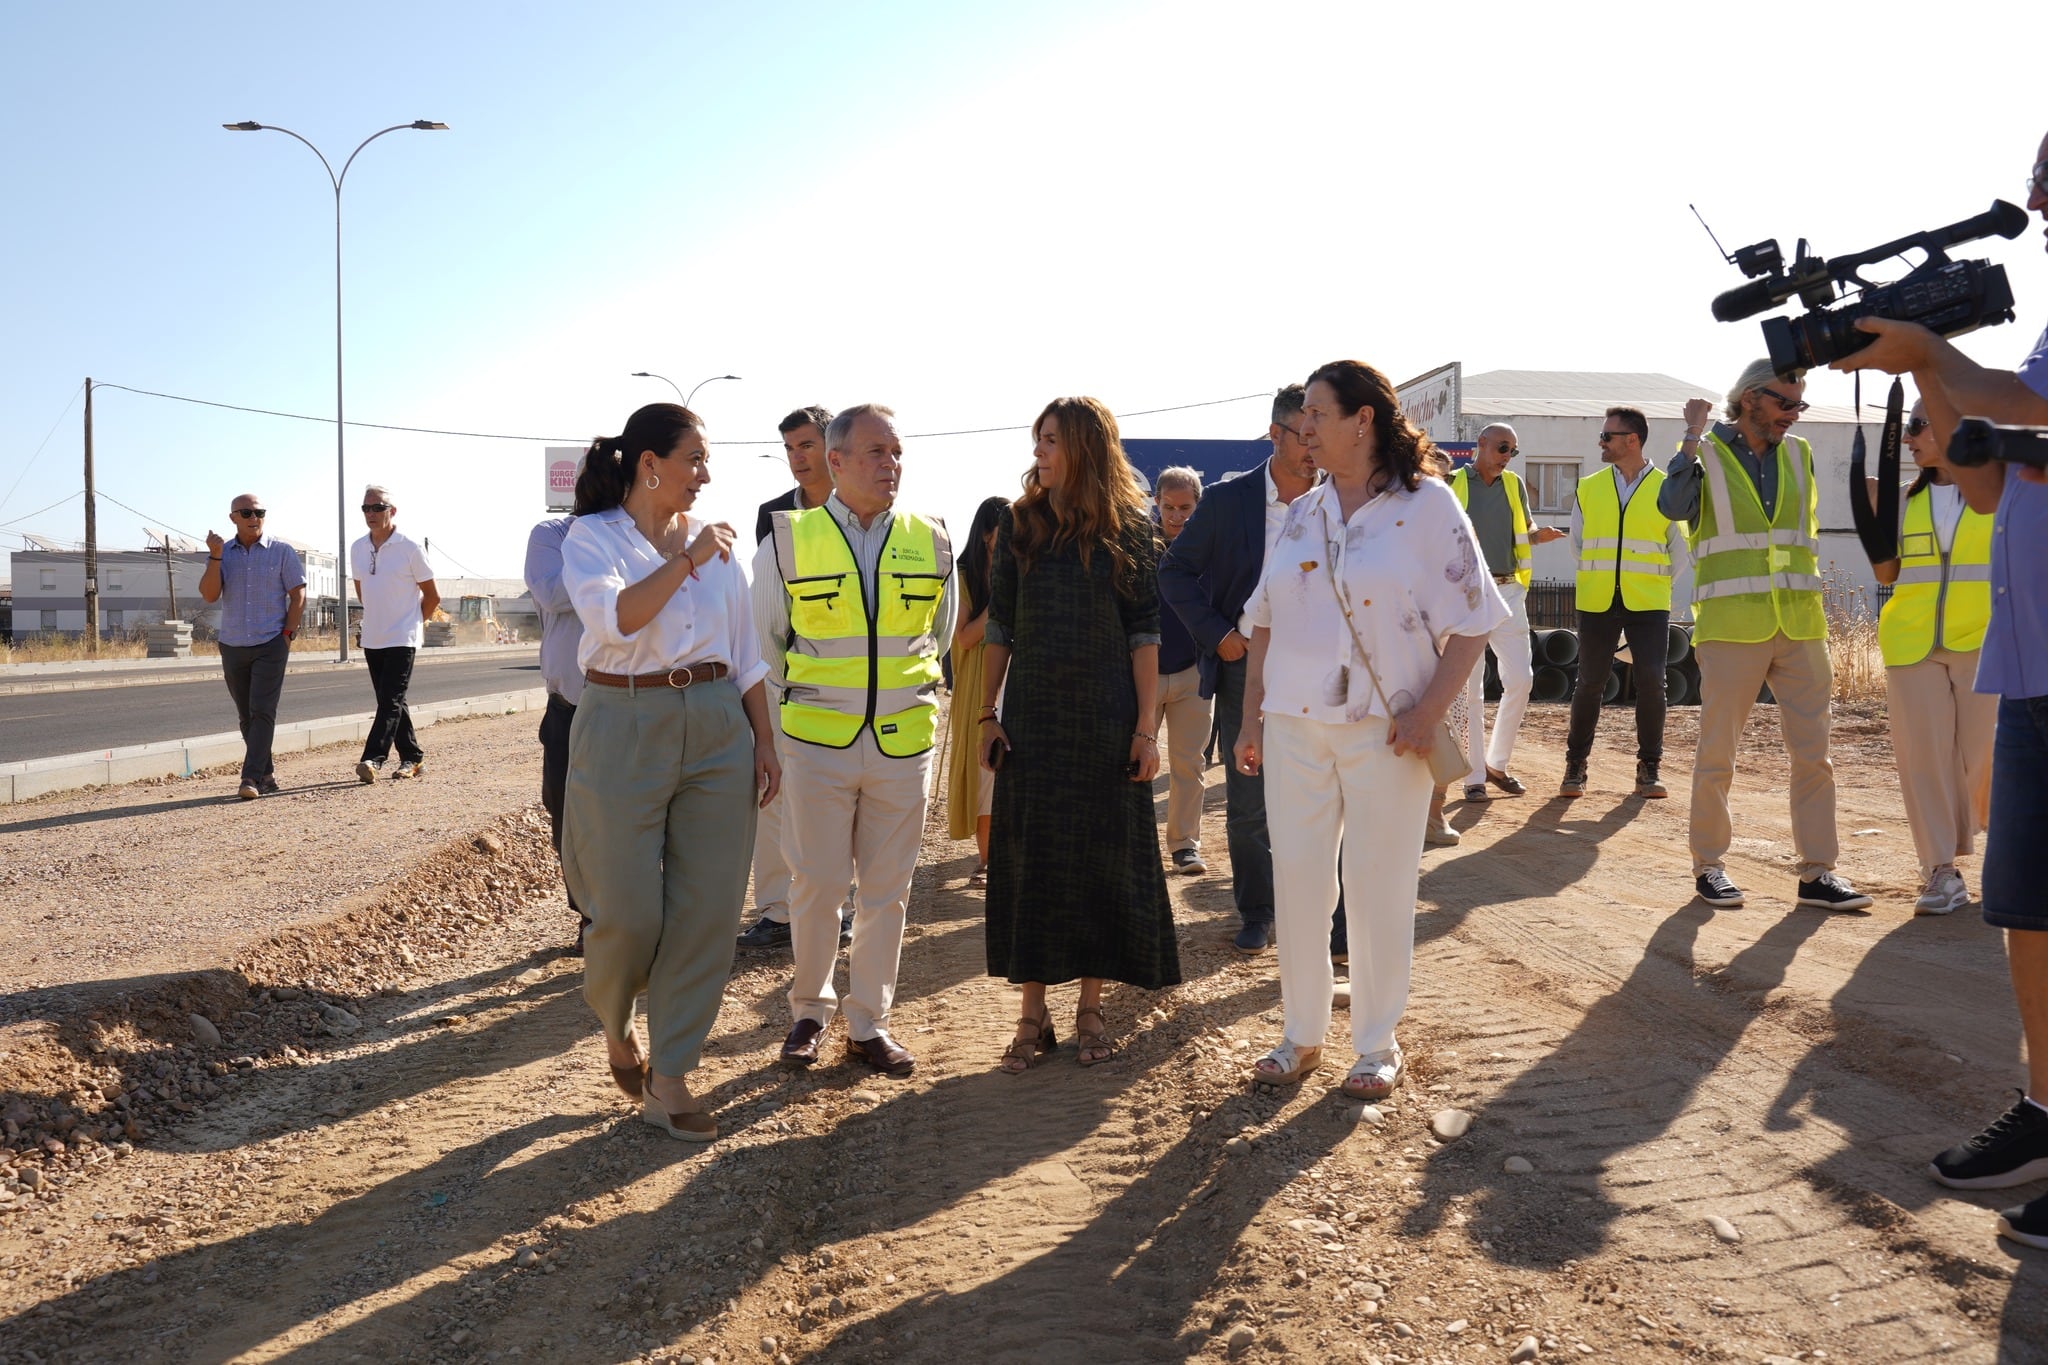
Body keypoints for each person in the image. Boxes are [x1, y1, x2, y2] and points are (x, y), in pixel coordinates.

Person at [1836, 126, 2048, 1250]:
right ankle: (2047, 1111)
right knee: (2025, 909)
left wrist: (1926, 353)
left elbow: (2022, 416)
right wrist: (1919, 368)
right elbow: (1994, 463)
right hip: (2028, 661)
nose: (2042, 213)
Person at [1233, 360, 1503, 1098]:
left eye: (1318, 413)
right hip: (1294, 723)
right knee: (1299, 879)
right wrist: (1252, 715)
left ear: (1364, 420)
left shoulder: (1430, 507)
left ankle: (1377, 1042)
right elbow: (1261, 620)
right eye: (1301, 417)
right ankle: (1301, 1033)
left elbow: (1474, 624)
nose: (1304, 428)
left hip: (1390, 731)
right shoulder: (1302, 510)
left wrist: (1428, 711)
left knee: (1379, 882)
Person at [559, 402, 778, 1142]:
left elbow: (748, 651)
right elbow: (618, 618)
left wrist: (765, 742)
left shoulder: (719, 548)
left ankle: (671, 1073)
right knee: (626, 912)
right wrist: (686, 560)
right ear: (650, 465)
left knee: (710, 909)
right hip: (623, 721)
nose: (705, 476)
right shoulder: (590, 539)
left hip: (719, 724)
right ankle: (616, 1023)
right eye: (694, 460)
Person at [753, 403, 954, 1078]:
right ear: (835, 462)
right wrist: (818, 704)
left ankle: (869, 1021)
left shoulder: (932, 539)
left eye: (895, 451)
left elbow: (940, 637)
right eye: (874, 452)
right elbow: (769, 646)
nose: (889, 464)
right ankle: (810, 1011)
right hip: (817, 742)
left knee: (888, 890)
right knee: (815, 883)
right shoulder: (787, 539)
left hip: (904, 742)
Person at [981, 396, 1179, 1071]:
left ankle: (1090, 1009)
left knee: (1100, 857)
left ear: (1086, 448)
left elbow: (1145, 633)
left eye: (1053, 440)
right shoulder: (1019, 524)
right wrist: (987, 712)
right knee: (1033, 855)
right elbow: (1000, 626)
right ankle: (1031, 1015)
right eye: (1038, 438)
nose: (1040, 450)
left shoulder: (1129, 528)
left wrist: (1146, 729)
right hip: (1034, 716)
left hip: (1105, 716)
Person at [1658, 364, 1871, 911]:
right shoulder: (1703, 453)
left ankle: (1818, 873)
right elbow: (1674, 509)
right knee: (1718, 754)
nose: (1792, 416)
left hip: (1800, 625)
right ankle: (1709, 866)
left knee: (1815, 757)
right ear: (1750, 398)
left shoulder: (1799, 454)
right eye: (1784, 404)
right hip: (1732, 627)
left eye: (1799, 406)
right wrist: (1688, 437)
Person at [1159, 386, 1346, 956]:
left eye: (1319, 430)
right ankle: (1259, 913)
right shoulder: (1228, 501)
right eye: (1302, 432)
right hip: (1249, 669)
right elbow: (1175, 573)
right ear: (1275, 434)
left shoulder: (1345, 497)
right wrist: (1220, 636)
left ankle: (1334, 924)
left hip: (1327, 670)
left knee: (1331, 794)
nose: (1313, 444)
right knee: (1248, 799)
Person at [1868, 398, 1997, 915]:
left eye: (1918, 426)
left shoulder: (2004, 496)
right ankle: (1941, 871)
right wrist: (1872, 518)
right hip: (1910, 644)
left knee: (1988, 759)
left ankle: (2007, 860)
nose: (1909, 438)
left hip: (1986, 642)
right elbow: (1886, 576)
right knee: (1924, 760)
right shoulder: (1900, 501)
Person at [738, 406, 856, 952]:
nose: (797, 458)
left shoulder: (860, 510)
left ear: (833, 448)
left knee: (840, 799)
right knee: (774, 792)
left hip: (847, 686)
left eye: (805, 445)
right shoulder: (773, 516)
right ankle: (778, 912)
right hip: (779, 680)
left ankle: (841, 909)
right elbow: (764, 606)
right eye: (789, 448)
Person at [1561, 406, 1689, 799]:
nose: (1601, 442)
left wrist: (1652, 586)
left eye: (1607, 436)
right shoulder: (1590, 487)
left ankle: (1649, 767)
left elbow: (1679, 552)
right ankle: (1575, 766)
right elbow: (1578, 545)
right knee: (1589, 684)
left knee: (1653, 681)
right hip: (1597, 600)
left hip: (1648, 602)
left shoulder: (1666, 489)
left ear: (1631, 440)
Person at [1449, 425, 1568, 805]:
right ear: (1480, 445)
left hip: (1509, 591)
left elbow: (1522, 531)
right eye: (1503, 447)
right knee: (1470, 689)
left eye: (1513, 451)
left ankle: (1496, 763)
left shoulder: (1514, 485)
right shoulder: (1452, 484)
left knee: (1521, 679)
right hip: (1465, 597)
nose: (1507, 456)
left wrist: (1538, 535)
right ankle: (1474, 777)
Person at [197, 494, 305, 800]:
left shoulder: (281, 551)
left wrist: (287, 634)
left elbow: (298, 595)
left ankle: (250, 778)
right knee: (246, 715)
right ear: (233, 518)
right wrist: (215, 556)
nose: (254, 517)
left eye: (259, 512)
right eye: (247, 513)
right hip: (232, 644)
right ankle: (266, 775)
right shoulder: (223, 553)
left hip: (271, 642)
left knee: (262, 711)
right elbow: (208, 595)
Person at [524, 498, 587, 954]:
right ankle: (590, 915)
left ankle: (634, 919)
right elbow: (552, 593)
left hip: (631, 707)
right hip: (567, 707)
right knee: (566, 816)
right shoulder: (551, 536)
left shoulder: (643, 532)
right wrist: (606, 566)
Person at [349, 486, 439, 784]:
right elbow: (363, 590)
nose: (371, 514)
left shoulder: (409, 547)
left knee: (389, 701)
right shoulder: (358, 547)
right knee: (393, 701)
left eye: (377, 507)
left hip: (403, 636)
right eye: (366, 508)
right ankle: (413, 757)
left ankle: (373, 758)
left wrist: (412, 623)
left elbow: (432, 596)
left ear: (392, 511)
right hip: (373, 636)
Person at [946, 495, 1011, 884]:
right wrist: (1001, 598)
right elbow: (966, 637)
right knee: (986, 773)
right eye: (1006, 534)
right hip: (977, 686)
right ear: (987, 534)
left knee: (1013, 774)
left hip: (1018, 679)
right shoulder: (962, 575)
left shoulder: (1026, 568)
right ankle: (987, 863)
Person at [1152, 466, 1214, 876]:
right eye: (1170, 507)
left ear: (1198, 505)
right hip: (1142, 672)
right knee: (1133, 762)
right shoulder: (1136, 546)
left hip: (1194, 671)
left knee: (1190, 764)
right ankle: (1135, 846)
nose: (1177, 516)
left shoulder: (1211, 547)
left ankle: (1184, 845)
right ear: (1156, 503)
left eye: (1186, 508)